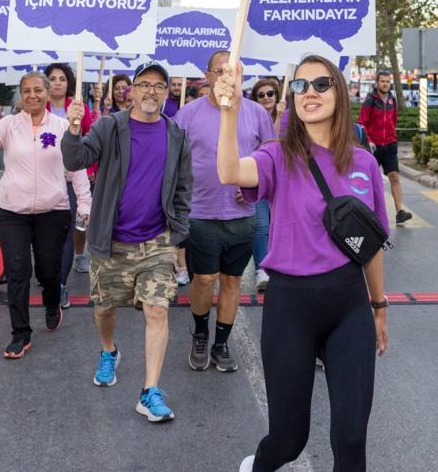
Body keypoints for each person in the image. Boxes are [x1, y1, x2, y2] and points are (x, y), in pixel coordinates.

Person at [215, 54, 390, 472]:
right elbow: (229, 171)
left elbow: (371, 245)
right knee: (289, 437)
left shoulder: (364, 163)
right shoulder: (277, 156)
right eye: (300, 85)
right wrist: (228, 109)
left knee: (351, 436)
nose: (309, 91)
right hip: (291, 304)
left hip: (349, 306)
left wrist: (379, 307)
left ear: (339, 93)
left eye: (321, 83)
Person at [62, 62, 192, 423]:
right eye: (144, 84)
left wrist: (178, 230)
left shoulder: (176, 134)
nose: (151, 91)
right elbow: (75, 158)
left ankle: (150, 392)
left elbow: (184, 186)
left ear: (166, 93)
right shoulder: (109, 126)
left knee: (157, 310)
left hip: (157, 242)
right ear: (131, 90)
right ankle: (108, 351)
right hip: (111, 241)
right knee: (104, 308)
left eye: (159, 86)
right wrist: (73, 128)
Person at [0, 75, 90, 358]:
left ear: (47, 93)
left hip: (53, 211)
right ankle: (20, 334)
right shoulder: (9, 125)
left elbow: (76, 168)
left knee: (48, 270)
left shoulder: (62, 126)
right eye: (26, 91)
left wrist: (85, 204)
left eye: (37, 90)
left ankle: (52, 301)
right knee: (17, 269)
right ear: (20, 96)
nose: (32, 95)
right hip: (10, 211)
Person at [176, 50, 277, 374]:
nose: (225, 77)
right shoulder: (188, 114)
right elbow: (172, 160)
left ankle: (221, 343)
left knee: (232, 281)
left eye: (231, 71)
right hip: (200, 213)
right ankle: (200, 333)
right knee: (204, 279)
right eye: (219, 71)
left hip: (242, 215)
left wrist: (254, 183)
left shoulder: (257, 113)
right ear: (207, 76)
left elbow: (271, 158)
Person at [45, 62, 97, 285]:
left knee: (69, 226)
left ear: (69, 83)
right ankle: (48, 271)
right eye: (52, 79)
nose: (57, 83)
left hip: (72, 177)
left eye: (62, 79)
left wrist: (90, 168)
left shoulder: (78, 107)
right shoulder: (38, 108)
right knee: (46, 231)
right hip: (45, 178)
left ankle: (62, 281)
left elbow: (89, 139)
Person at [358, 71, 413, 225]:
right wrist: (368, 141)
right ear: (377, 83)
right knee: (371, 181)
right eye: (382, 81)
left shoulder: (392, 100)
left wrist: (393, 138)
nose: (385, 84)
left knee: (394, 177)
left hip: (389, 144)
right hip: (373, 147)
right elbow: (362, 123)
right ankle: (369, 213)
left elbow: (393, 121)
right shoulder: (370, 100)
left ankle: (400, 212)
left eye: (387, 82)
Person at [248, 77, 284, 292]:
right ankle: (261, 270)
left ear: (277, 95)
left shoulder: (289, 117)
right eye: (261, 95)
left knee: (280, 224)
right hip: (260, 178)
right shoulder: (251, 117)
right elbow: (270, 143)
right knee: (261, 225)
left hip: (284, 180)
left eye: (270, 93)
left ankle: (279, 267)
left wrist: (281, 115)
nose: (266, 97)